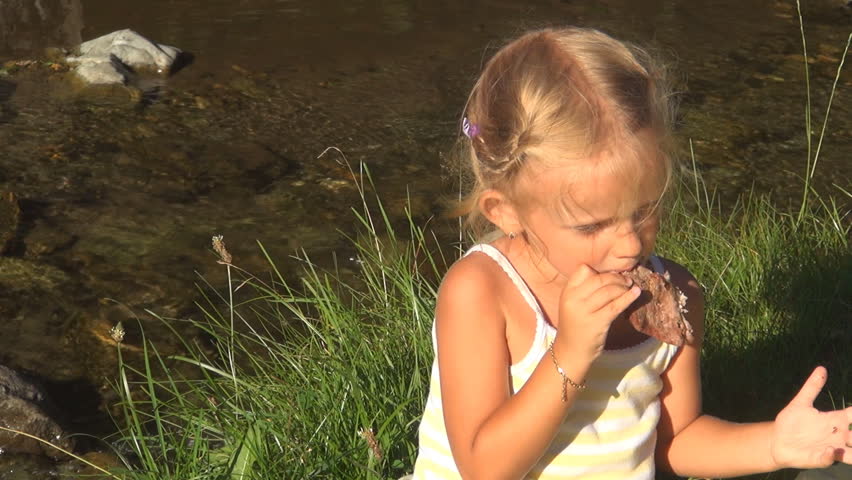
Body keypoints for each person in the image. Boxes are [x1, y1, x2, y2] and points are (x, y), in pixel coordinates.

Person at [411, 26, 851, 479]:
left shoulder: (675, 296)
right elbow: (484, 469)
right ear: (506, 212)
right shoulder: (483, 291)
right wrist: (570, 352)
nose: (631, 245)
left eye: (644, 210)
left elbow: (676, 442)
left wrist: (774, 446)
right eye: (591, 225)